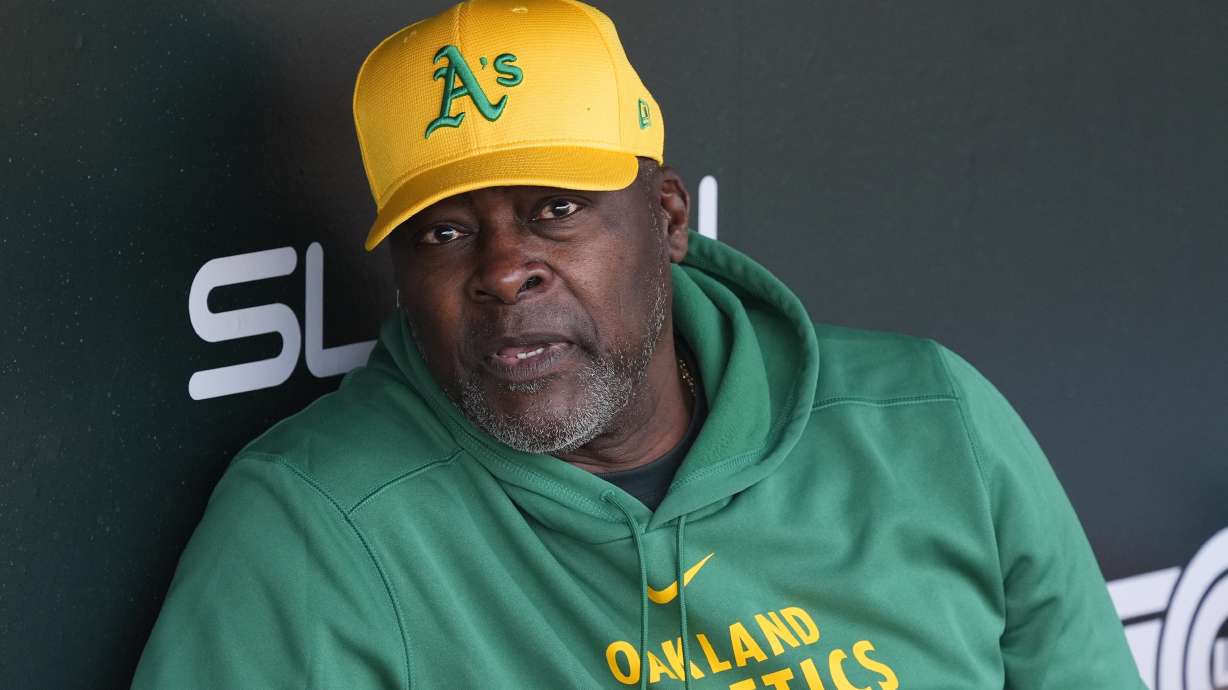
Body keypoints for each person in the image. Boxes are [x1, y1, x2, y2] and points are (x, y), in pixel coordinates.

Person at [133, 1, 1146, 688]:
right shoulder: (320, 522)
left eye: (556, 208)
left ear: (667, 218)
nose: (503, 270)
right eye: (443, 233)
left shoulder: (927, 421)